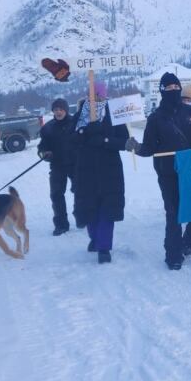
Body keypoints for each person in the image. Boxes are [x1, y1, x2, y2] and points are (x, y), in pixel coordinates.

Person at [126, 72, 191, 270]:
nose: (173, 90)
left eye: (176, 87)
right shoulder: (156, 118)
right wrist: (136, 147)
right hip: (168, 173)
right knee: (173, 214)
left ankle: (187, 244)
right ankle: (173, 255)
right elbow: (149, 148)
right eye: (168, 88)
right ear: (162, 91)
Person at [72, 81, 129, 264]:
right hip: (85, 170)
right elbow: (72, 141)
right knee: (90, 207)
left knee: (107, 208)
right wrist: (86, 132)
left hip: (109, 170)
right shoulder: (81, 115)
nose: (95, 98)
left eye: (99, 95)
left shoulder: (113, 114)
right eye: (92, 95)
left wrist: (103, 140)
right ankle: (95, 238)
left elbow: (123, 141)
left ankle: (104, 246)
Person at [38, 98, 76, 236]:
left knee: (80, 191)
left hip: (75, 164)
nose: (58, 112)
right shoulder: (48, 128)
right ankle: (61, 224)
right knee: (56, 194)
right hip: (57, 165)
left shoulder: (75, 124)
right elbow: (42, 147)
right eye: (55, 110)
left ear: (66, 110)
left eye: (61, 109)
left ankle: (81, 215)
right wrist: (44, 153)